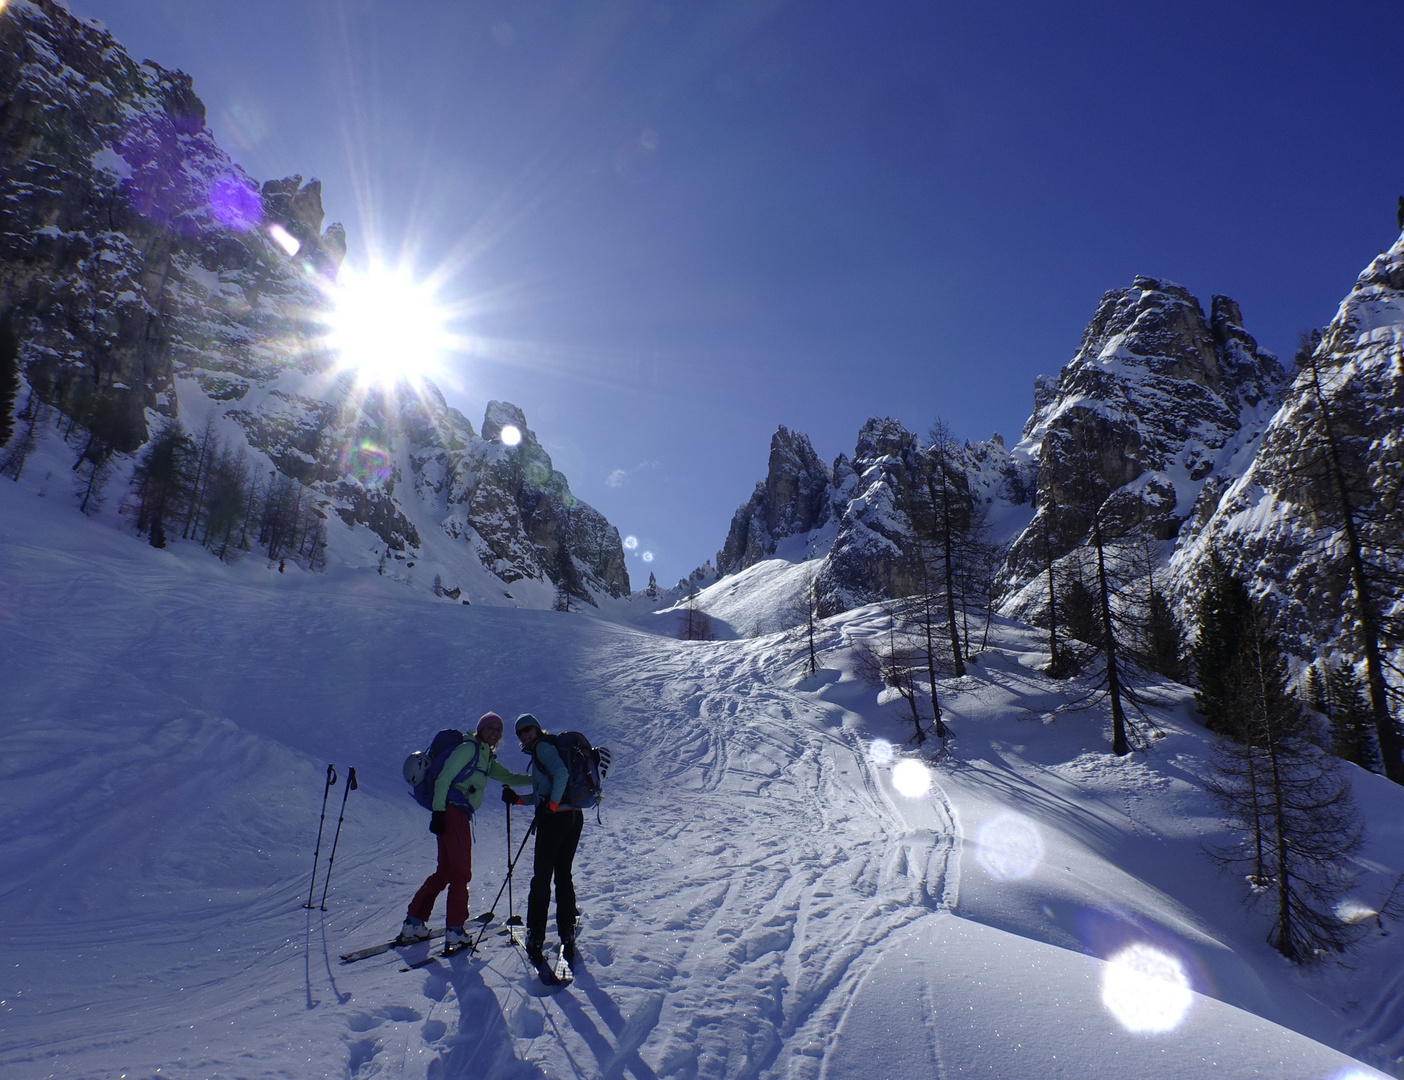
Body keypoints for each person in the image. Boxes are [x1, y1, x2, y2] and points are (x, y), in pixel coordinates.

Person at [399, 713, 532, 950]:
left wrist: (539, 780)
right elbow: (443, 779)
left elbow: (510, 777)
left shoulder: (485, 757)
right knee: (460, 873)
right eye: (489, 727)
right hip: (453, 813)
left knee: (446, 872)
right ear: (479, 729)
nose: (494, 732)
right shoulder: (467, 749)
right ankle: (455, 930)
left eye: (498, 729)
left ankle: (413, 923)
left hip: (453, 812)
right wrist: (439, 813)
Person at [500, 713, 584, 965]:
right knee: (562, 874)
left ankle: (535, 935)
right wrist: (518, 799)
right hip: (572, 817)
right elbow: (543, 793)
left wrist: (553, 804)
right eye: (520, 732)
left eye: (528, 729)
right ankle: (566, 931)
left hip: (556, 819)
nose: (524, 734)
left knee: (542, 877)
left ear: (537, 730)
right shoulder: (544, 750)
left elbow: (561, 776)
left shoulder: (544, 748)